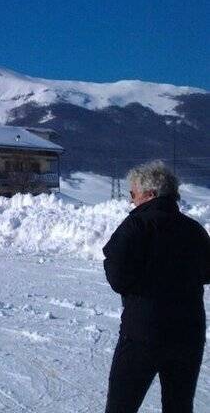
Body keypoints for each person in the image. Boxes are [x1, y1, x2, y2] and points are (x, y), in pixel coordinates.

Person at [103, 160, 210, 412]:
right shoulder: (194, 229)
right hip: (188, 335)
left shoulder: (136, 225)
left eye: (133, 194)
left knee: (122, 406)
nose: (132, 200)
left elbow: (116, 275)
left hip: (143, 334)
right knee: (179, 406)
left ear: (150, 194)